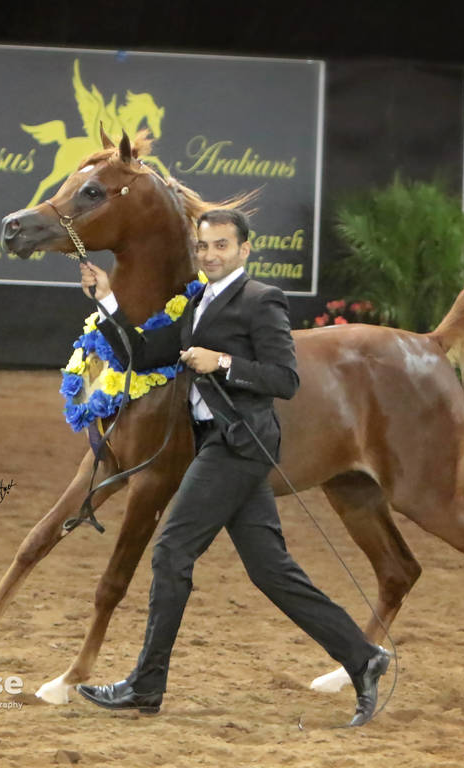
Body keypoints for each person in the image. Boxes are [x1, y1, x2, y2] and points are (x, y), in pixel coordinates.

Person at [76, 208, 389, 727]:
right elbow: (143, 351)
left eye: (222, 246)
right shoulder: (197, 301)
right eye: (204, 246)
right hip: (220, 446)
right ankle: (364, 657)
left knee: (172, 550)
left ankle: (146, 686)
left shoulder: (261, 300)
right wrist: (106, 298)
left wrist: (221, 363)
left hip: (238, 447)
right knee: (272, 571)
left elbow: (285, 379)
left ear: (244, 250)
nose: (210, 254)